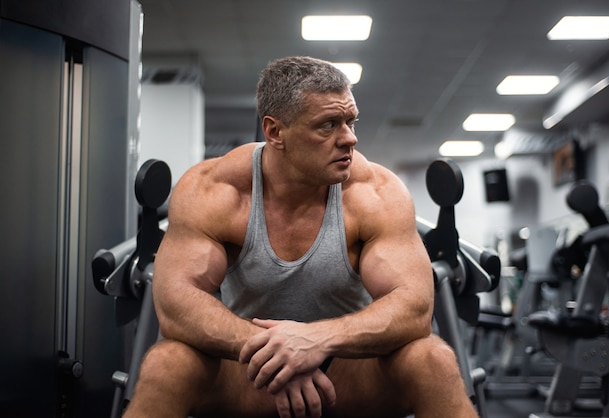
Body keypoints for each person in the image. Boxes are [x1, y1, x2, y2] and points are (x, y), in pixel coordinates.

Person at [124, 56, 478, 418]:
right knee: (166, 363)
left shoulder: (375, 192)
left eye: (350, 121)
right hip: (250, 372)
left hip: (347, 375)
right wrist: (278, 351)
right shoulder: (216, 190)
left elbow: (414, 308)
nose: (350, 139)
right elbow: (176, 306)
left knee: (433, 359)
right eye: (328, 125)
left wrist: (316, 340)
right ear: (275, 132)